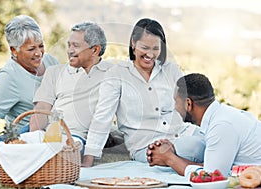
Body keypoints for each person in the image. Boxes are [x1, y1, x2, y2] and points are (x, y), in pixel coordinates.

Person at [82, 18, 205, 167]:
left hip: (184, 134)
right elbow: (102, 117)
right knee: (195, 148)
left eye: (155, 48)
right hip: (147, 146)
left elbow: (187, 108)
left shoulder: (171, 70)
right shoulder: (117, 74)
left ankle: (206, 170)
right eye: (145, 47)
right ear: (133, 43)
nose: (150, 54)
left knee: (212, 140)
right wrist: (88, 160)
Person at [0, 15, 59, 177]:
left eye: (41, 46)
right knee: (14, 139)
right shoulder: (9, 77)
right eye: (31, 49)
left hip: (56, 131)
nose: (39, 53)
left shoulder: (51, 62)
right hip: (27, 137)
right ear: (14, 50)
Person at [147, 73, 261, 178]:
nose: (175, 108)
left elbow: (211, 178)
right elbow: (210, 167)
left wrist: (169, 159)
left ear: (188, 104)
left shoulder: (221, 126)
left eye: (176, 102)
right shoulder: (222, 116)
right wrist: (173, 157)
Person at [29, 22, 114, 157]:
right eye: (69, 45)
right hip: (45, 131)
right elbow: (40, 110)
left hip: (74, 137)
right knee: (1, 146)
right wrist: (35, 140)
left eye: (76, 46)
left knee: (60, 151)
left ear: (95, 50)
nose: (70, 50)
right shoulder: (54, 72)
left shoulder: (112, 73)